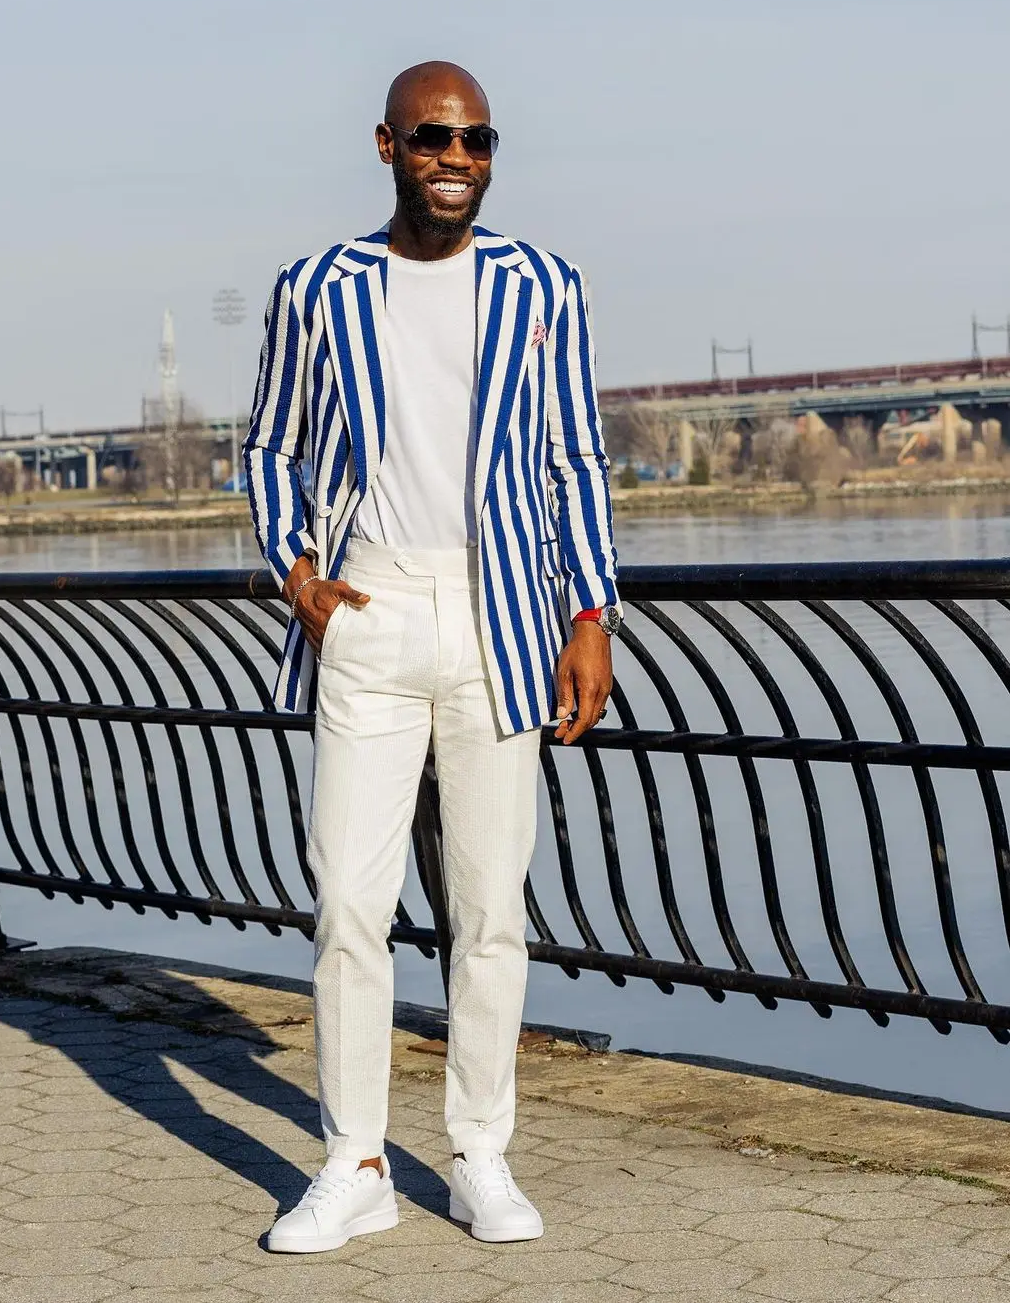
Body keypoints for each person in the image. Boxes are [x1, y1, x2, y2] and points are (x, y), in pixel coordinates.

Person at [244, 60, 620, 1254]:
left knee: (488, 907)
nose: (456, 161)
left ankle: (480, 1158)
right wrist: (297, 574)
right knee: (350, 902)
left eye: (477, 142)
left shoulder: (544, 285)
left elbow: (575, 461)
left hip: (504, 613)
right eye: (432, 141)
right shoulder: (318, 289)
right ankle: (353, 1163)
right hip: (369, 606)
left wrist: (593, 616)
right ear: (387, 145)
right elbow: (270, 447)